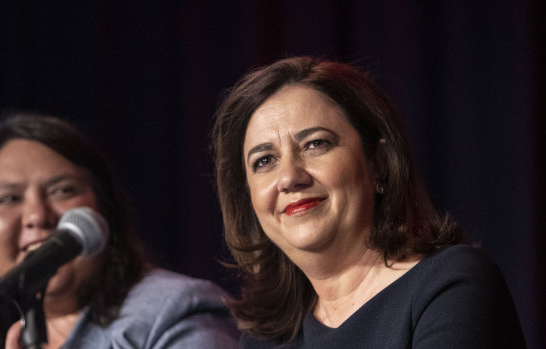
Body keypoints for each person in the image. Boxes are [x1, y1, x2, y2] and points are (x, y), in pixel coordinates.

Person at [211, 56, 525, 348]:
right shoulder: (265, 339)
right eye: (264, 161)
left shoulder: (450, 286)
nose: (290, 177)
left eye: (315, 144)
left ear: (378, 162)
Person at [0, 114, 239, 349]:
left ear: (105, 213)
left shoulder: (174, 309)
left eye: (63, 191)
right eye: (8, 198)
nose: (37, 215)